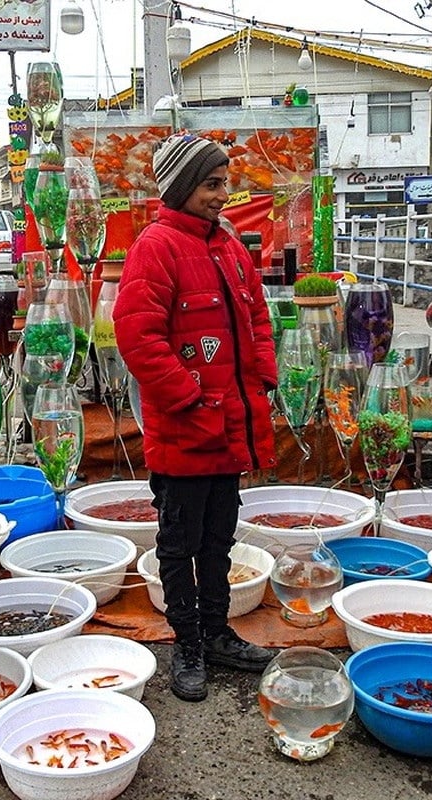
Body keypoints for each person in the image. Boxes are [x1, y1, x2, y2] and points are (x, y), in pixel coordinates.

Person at [113, 133, 279, 702]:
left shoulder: (230, 248)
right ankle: (187, 642)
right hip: (185, 429)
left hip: (229, 425)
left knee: (218, 539)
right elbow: (137, 337)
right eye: (212, 184)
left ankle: (217, 632)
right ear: (183, 187)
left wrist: (262, 382)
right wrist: (188, 396)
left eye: (224, 183)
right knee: (177, 542)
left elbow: (257, 320)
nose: (223, 194)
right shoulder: (155, 247)